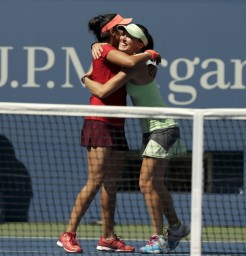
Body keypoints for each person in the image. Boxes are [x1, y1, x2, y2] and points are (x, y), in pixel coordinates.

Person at [83, 23, 190, 254]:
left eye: (130, 36)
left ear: (140, 43)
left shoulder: (136, 65)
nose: (123, 38)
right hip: (153, 129)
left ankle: (158, 238)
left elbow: (102, 91)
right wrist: (97, 44)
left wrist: (84, 79)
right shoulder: (140, 60)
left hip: (162, 127)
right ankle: (177, 227)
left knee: (146, 183)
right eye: (122, 33)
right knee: (157, 183)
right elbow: (114, 55)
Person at [57, 14, 160, 254]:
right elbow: (131, 63)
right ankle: (68, 233)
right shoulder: (103, 48)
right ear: (110, 32)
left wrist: (145, 56)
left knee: (110, 185)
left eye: (126, 32)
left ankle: (107, 236)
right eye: (121, 30)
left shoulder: (108, 50)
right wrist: (149, 53)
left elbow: (133, 64)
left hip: (116, 124)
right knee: (95, 181)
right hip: (99, 121)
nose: (124, 34)